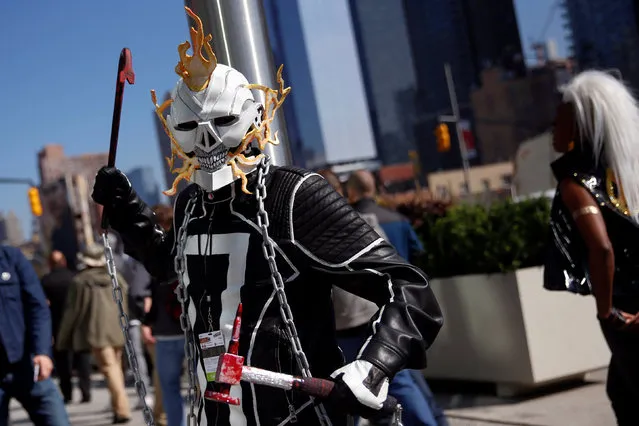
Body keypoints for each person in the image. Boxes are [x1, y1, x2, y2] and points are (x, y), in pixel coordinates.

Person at [91, 7, 443, 426]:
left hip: (298, 414)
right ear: (172, 129)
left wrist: (372, 367)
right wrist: (127, 210)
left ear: (255, 116)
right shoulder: (190, 204)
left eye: (222, 120)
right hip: (217, 411)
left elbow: (410, 289)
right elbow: (171, 267)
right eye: (190, 126)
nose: (207, 139)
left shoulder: (293, 194)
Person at [547, 70, 639, 426]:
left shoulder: (577, 183)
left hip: (625, 312)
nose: (552, 127)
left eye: (560, 120)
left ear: (581, 127)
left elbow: (601, 249)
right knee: (620, 391)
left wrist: (606, 312)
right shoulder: (628, 176)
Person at [344, 170, 449, 426]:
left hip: (370, 316)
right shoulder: (396, 219)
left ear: (352, 192)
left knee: (390, 385)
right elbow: (417, 261)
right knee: (408, 380)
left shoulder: (351, 223)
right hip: (401, 310)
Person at [56, 243, 132, 424]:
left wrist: (62, 338)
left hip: (95, 331)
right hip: (117, 329)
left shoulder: (80, 281)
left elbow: (72, 312)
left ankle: (122, 409)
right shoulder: (116, 278)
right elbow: (125, 299)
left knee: (109, 368)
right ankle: (118, 407)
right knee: (115, 368)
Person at [0, 244, 70, 425]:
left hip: (27, 364)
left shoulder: (10, 258)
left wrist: (42, 351)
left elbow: (37, 306)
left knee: (57, 420)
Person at [142, 204, 183, 426]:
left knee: (172, 387)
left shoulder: (173, 249)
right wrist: (148, 322)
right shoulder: (159, 255)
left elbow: (153, 290)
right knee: (170, 387)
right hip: (171, 330)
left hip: (182, 330)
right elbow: (153, 289)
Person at [40, 251, 91, 404]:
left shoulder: (46, 281)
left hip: (58, 326)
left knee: (63, 363)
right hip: (78, 324)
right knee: (82, 359)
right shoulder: (75, 278)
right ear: (64, 262)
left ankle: (67, 393)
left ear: (50, 264)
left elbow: (43, 305)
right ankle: (86, 391)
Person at [119, 252, 154, 410]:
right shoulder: (125, 262)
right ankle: (146, 393)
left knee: (140, 356)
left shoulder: (137, 262)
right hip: (137, 316)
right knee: (138, 356)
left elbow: (140, 292)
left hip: (142, 316)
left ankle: (147, 394)